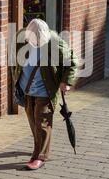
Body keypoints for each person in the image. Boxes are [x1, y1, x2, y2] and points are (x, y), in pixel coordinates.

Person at [12, 19, 78, 170]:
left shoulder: (54, 42)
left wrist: (66, 82)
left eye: (39, 40)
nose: (36, 43)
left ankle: (40, 156)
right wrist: (15, 79)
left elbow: (72, 61)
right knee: (33, 122)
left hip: (45, 89)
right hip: (26, 89)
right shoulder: (21, 38)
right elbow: (14, 61)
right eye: (33, 39)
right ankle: (39, 146)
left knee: (42, 122)